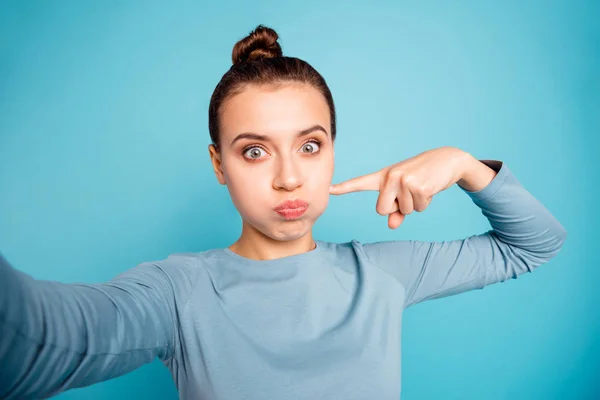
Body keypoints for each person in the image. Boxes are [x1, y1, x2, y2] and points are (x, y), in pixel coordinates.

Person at [0, 25, 566, 400]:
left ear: (332, 151)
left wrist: (465, 164)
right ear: (219, 164)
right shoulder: (178, 293)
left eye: (310, 145)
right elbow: (37, 341)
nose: (289, 176)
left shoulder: (384, 272)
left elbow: (534, 244)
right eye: (253, 151)